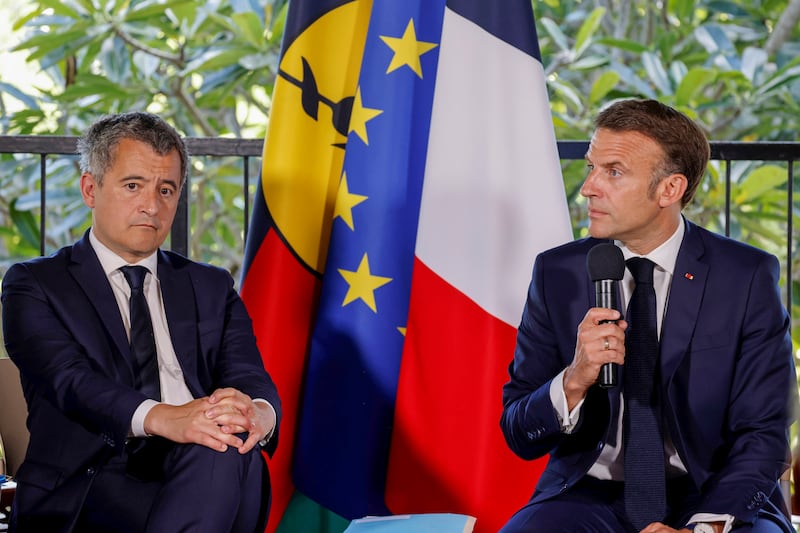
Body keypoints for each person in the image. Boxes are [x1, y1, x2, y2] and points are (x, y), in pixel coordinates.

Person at [499, 99, 796, 533]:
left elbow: (764, 433)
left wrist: (706, 527)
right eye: (590, 167)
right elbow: (518, 431)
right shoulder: (556, 272)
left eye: (613, 172)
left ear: (669, 190)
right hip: (590, 495)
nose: (589, 187)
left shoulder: (746, 276)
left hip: (715, 492)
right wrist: (574, 378)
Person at [1, 112, 281, 533]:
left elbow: (249, 376)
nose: (152, 205)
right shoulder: (35, 283)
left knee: (223, 448)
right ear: (90, 188)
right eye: (133, 186)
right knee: (219, 452)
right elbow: (71, 383)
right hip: (92, 480)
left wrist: (257, 415)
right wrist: (167, 417)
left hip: (205, 464)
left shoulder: (210, 285)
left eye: (166, 190)